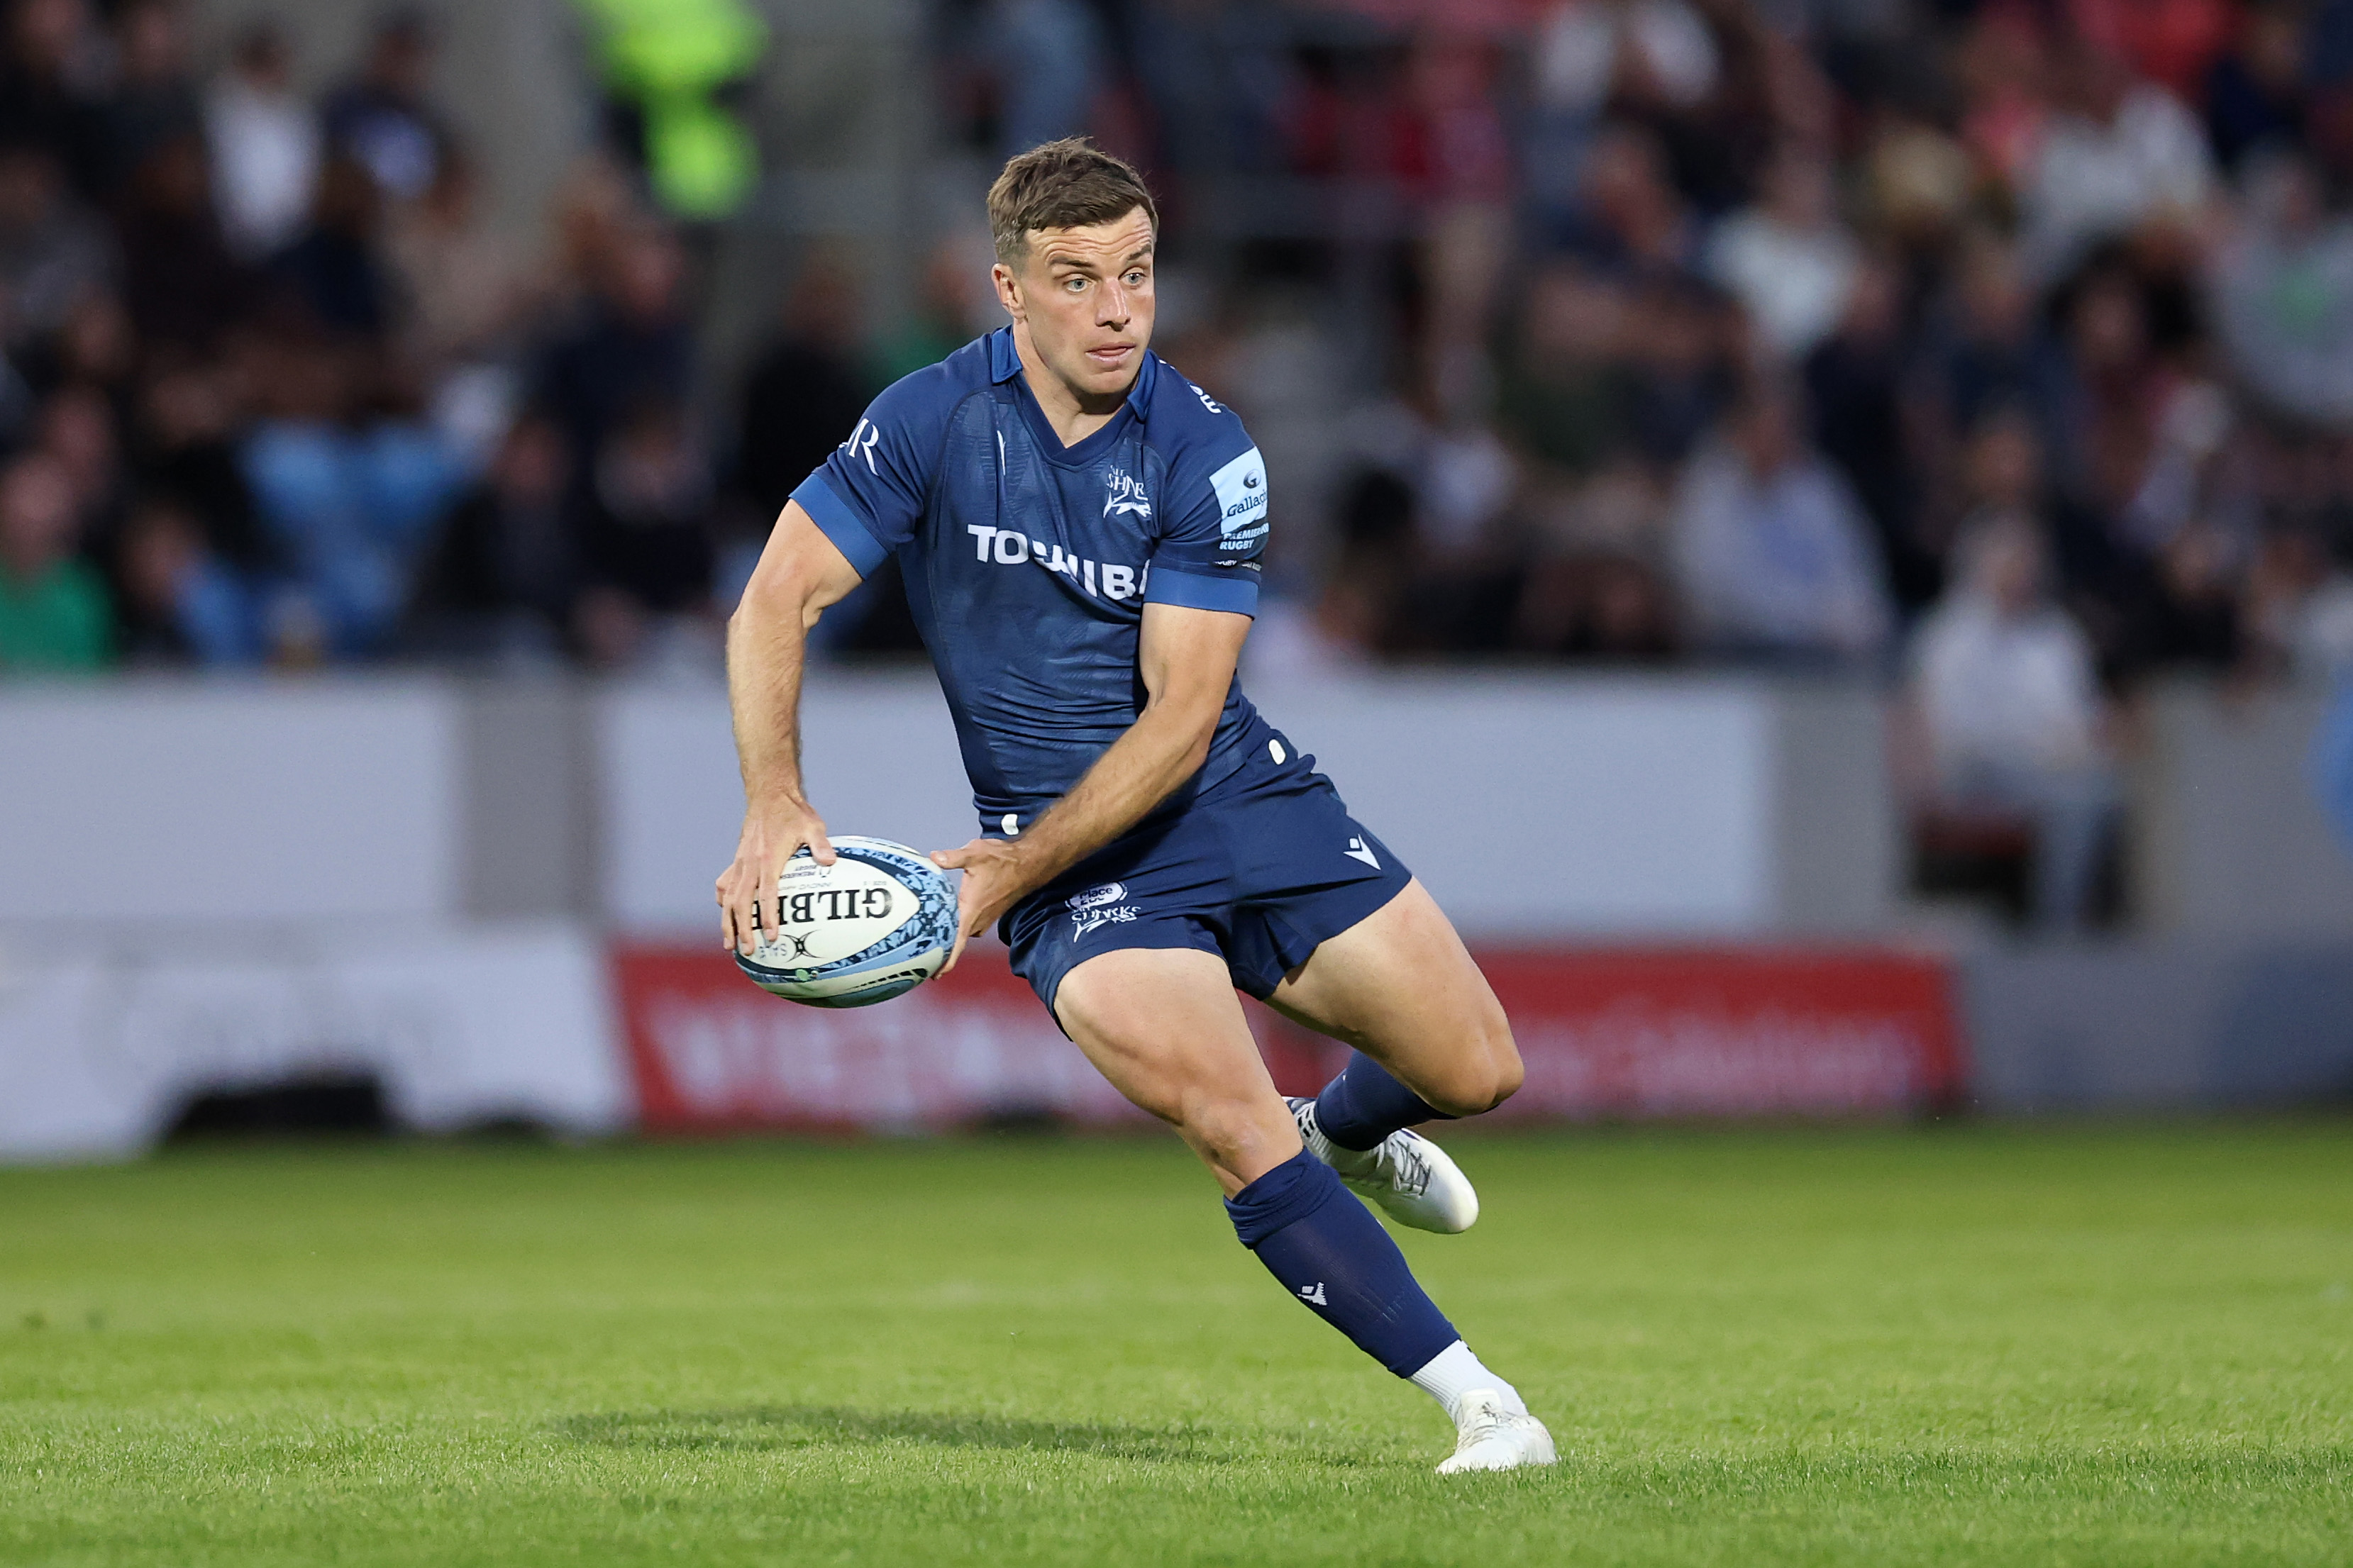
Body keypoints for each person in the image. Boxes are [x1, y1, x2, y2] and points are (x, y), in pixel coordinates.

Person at [714, 140, 1554, 1474]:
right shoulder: (928, 421)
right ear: (1009, 290)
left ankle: (1338, 1129)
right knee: (1224, 1121)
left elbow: (1175, 724)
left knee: (1477, 1071)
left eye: (1137, 274)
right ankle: (1485, 1406)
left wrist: (994, 869)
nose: (1115, 309)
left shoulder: (1208, 452)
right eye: (1076, 279)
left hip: (1222, 794)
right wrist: (775, 803)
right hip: (1080, 877)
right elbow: (777, 596)